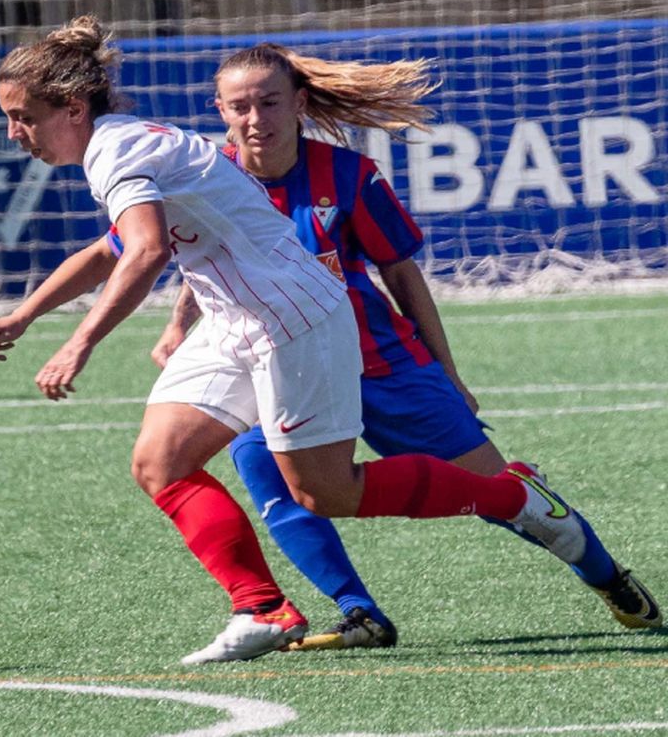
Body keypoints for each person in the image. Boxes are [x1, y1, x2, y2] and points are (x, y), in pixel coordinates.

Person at [0, 16, 599, 665]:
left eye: (22, 117)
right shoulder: (119, 143)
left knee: (325, 493)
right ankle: (261, 608)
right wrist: (23, 317)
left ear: (72, 108)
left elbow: (146, 251)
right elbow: (116, 252)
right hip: (234, 323)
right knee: (159, 464)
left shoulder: (116, 151)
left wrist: (79, 343)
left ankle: (514, 495)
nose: (15, 133)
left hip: (292, 319)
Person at [134, 42, 659, 648]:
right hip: (275, 360)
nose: (257, 119)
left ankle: (604, 573)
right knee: (271, 472)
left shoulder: (348, 174)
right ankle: (359, 612)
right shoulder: (204, 179)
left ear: (299, 103)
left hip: (378, 361)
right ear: (220, 111)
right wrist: (178, 324)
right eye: (240, 106)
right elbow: (202, 260)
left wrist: (447, 371)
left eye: (270, 102)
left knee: (492, 493)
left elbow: (402, 272)